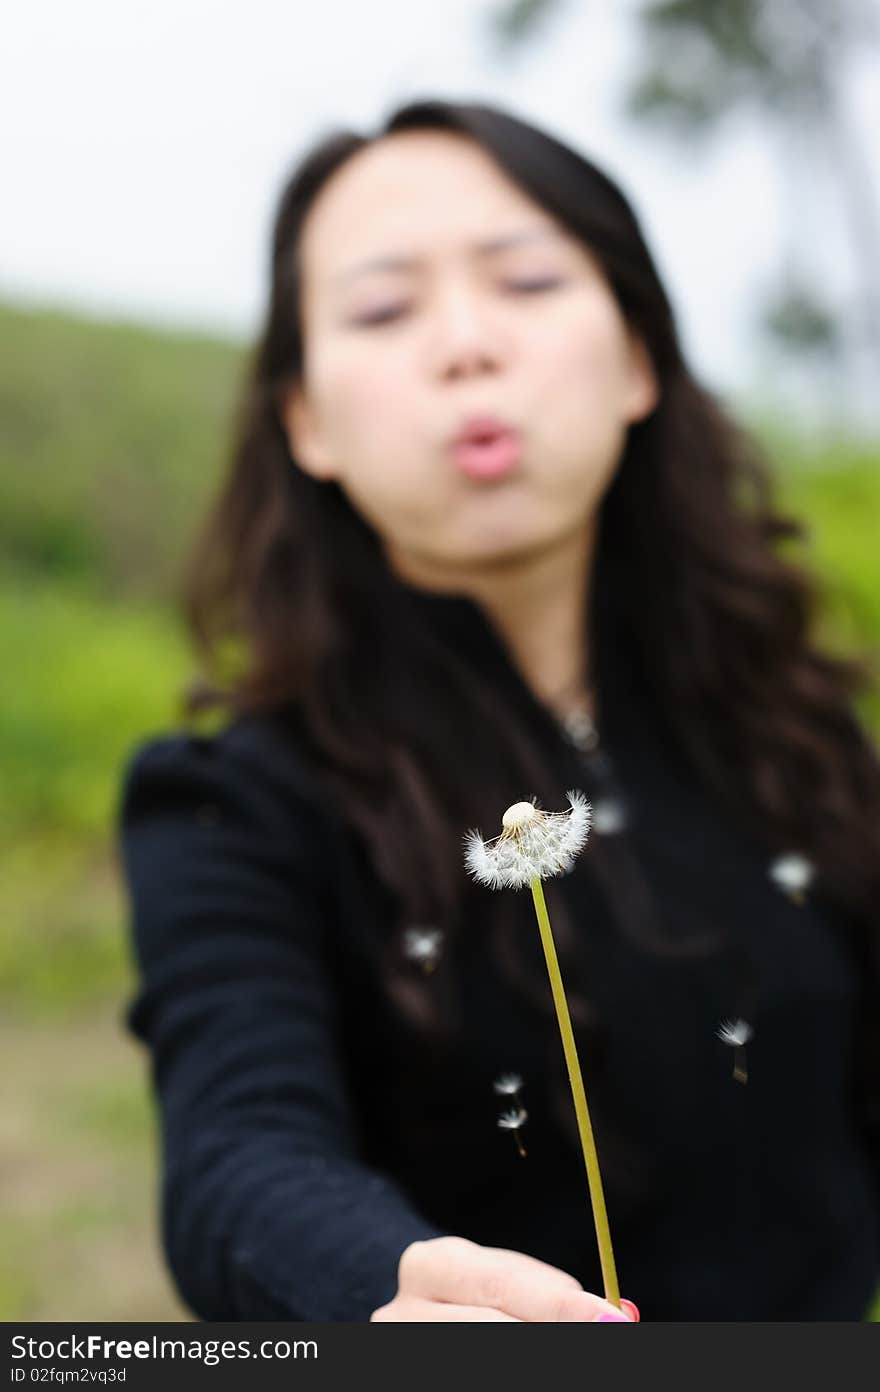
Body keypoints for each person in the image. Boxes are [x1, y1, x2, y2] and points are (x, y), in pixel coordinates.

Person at [116, 97, 880, 1323]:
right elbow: (236, 1161)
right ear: (305, 419)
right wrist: (381, 1283)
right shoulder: (233, 803)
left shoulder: (795, 736)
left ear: (637, 360)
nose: (465, 343)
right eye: (381, 309)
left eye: (525, 281)